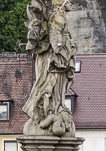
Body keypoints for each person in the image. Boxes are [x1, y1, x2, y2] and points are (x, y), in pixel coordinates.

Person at [23, 0, 77, 137]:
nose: (70, 3)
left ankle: (56, 107)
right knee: (49, 83)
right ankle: (50, 109)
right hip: (55, 57)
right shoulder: (58, 16)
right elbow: (54, 33)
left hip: (59, 56)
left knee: (56, 84)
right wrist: (58, 48)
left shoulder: (59, 16)